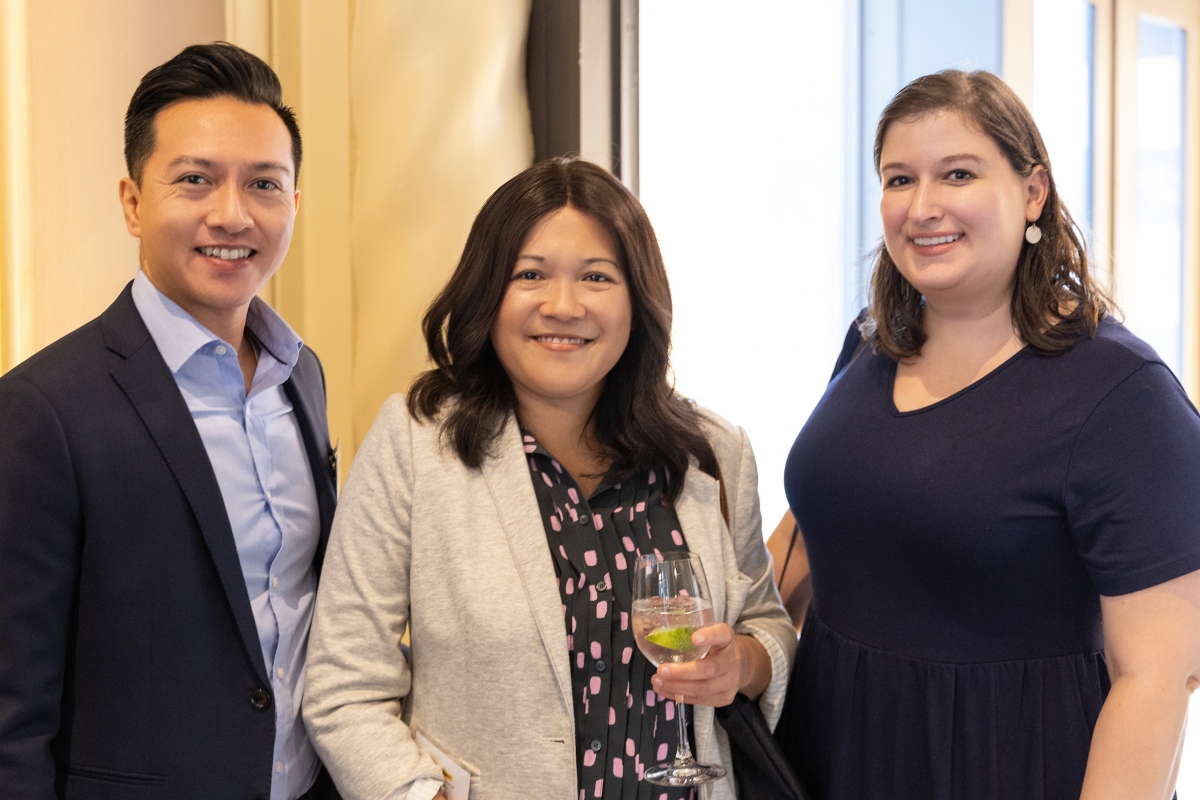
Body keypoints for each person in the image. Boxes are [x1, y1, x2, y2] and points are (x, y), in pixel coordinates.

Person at [302, 158, 796, 800]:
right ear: (487, 294)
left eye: (596, 277)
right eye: (530, 275)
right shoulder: (415, 443)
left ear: (638, 298)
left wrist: (743, 665)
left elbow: (767, 623)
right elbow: (344, 686)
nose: (563, 307)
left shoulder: (711, 452)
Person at [775, 70, 1200, 800]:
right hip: (825, 748)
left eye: (958, 174)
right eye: (899, 178)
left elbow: (1159, 674)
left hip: (992, 762)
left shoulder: (1119, 393)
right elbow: (822, 528)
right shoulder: (872, 344)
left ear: (1032, 191)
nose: (922, 207)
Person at [0, 43, 340, 799]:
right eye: (195, 180)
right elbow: (12, 709)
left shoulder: (302, 377)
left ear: (292, 204)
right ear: (132, 201)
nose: (232, 213)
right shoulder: (42, 409)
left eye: (264, 184)